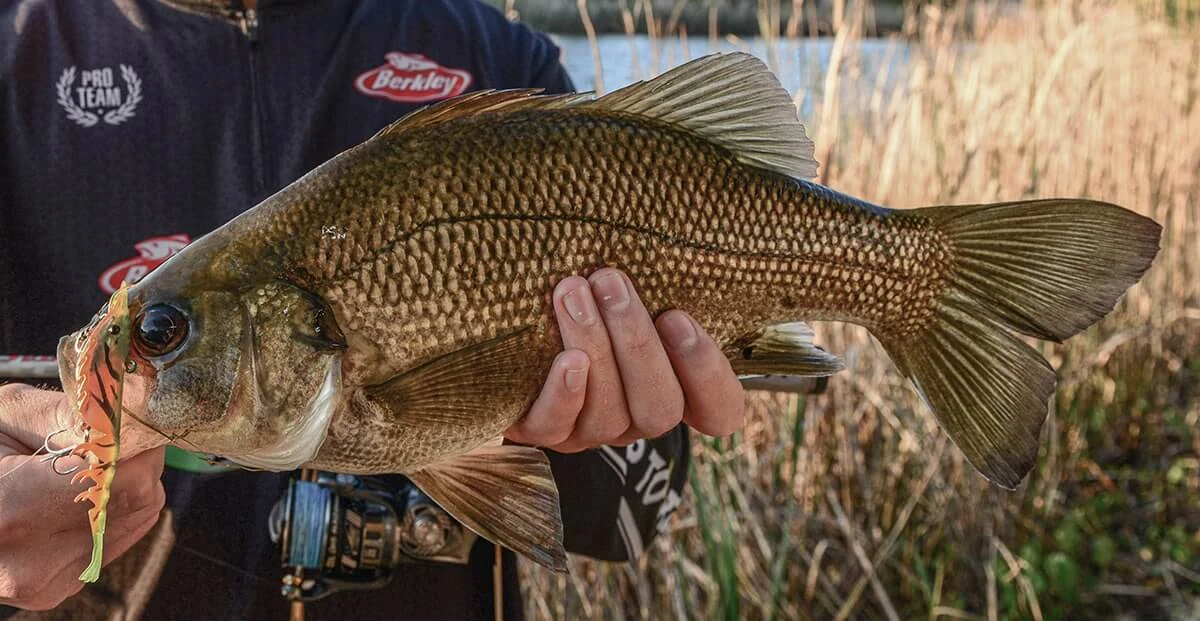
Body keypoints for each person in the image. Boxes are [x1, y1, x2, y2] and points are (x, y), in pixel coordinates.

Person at [0, 1, 746, 618]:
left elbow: (632, 514)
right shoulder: (14, 58)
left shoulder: (497, 55)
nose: (129, 352)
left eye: (161, 332)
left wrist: (590, 431)